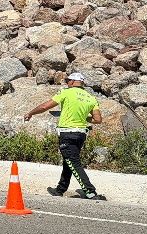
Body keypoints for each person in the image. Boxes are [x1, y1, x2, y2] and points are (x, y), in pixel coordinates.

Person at [22, 72, 107, 201]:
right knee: (68, 161)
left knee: (73, 162)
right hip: (81, 135)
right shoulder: (91, 98)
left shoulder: (66, 92)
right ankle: (60, 189)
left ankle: (90, 192)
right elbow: (98, 119)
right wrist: (83, 117)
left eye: (68, 81)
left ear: (72, 82)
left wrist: (31, 113)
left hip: (67, 134)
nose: (67, 83)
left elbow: (45, 106)